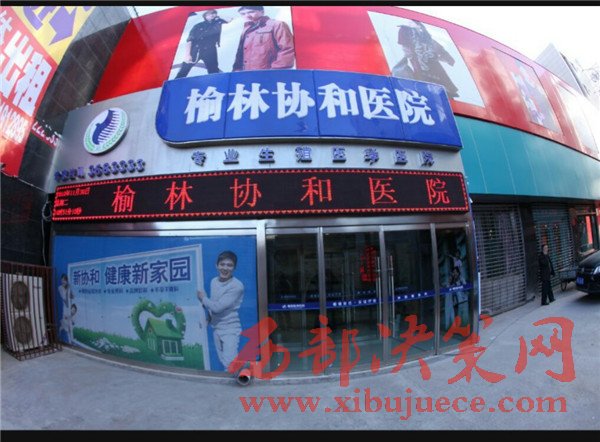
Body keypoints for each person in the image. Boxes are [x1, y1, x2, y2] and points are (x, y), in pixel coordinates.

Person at [197, 251, 244, 371]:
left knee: (230, 363)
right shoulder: (214, 281)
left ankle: (242, 378)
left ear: (234, 268)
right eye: (222, 264)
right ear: (216, 265)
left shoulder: (237, 286)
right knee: (224, 361)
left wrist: (203, 298)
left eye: (229, 265)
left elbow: (217, 308)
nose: (225, 268)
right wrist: (208, 319)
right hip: (216, 328)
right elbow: (214, 303)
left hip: (230, 329)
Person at [393, 19, 459, 99]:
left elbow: (437, 47)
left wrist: (448, 58)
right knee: (425, 88)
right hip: (419, 65)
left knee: (443, 88)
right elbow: (406, 48)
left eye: (413, 23)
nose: (411, 24)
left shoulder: (426, 35)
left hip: (433, 65)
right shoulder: (405, 31)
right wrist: (411, 55)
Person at [232, 6, 295, 71]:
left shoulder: (277, 25)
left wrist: (276, 70)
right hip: (247, 74)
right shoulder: (246, 29)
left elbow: (288, 48)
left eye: (251, 12)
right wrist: (236, 71)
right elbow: (240, 54)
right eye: (243, 14)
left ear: (262, 12)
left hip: (269, 73)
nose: (247, 15)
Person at [175, 9, 231, 78]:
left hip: (210, 50)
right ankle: (175, 84)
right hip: (197, 49)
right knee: (183, 71)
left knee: (213, 71)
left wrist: (219, 16)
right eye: (209, 14)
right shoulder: (198, 25)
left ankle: (214, 84)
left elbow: (230, 19)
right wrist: (187, 55)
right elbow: (189, 40)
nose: (212, 15)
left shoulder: (218, 22)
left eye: (213, 13)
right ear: (205, 16)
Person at [58, 274, 75, 343]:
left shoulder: (69, 287)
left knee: (68, 326)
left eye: (64, 280)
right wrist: (68, 290)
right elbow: (64, 299)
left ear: (67, 281)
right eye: (62, 280)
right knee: (67, 326)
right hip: (65, 309)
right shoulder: (60, 288)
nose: (63, 282)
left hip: (69, 310)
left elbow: (73, 296)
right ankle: (61, 337)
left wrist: (70, 290)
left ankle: (70, 341)